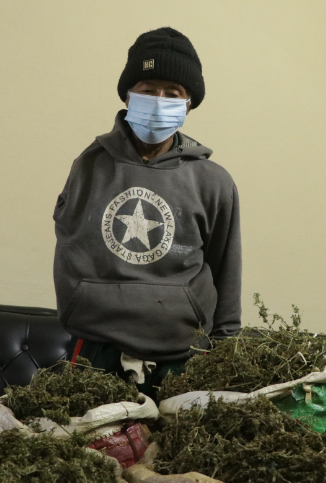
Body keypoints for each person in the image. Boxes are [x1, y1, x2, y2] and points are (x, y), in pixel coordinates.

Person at [52, 27, 241, 400]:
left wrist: (225, 352)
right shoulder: (88, 167)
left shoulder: (213, 181)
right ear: (128, 95)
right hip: (95, 350)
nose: (159, 101)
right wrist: (78, 308)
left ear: (188, 105)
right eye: (148, 89)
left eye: (173, 93)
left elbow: (226, 270)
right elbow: (69, 248)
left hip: (186, 356)